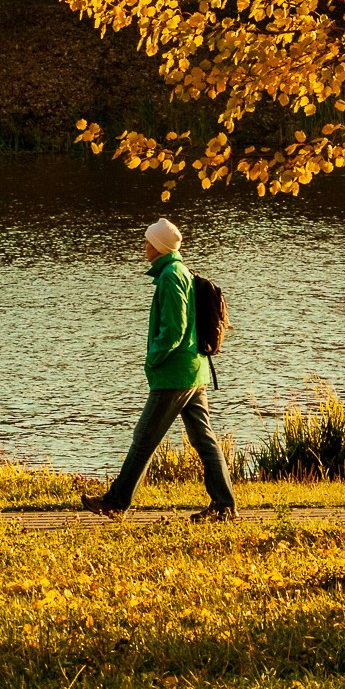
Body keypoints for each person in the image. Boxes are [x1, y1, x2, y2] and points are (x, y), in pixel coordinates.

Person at [81, 218, 238, 522]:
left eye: (148, 242)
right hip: (194, 370)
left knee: (144, 438)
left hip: (174, 374)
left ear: (159, 247)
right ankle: (224, 506)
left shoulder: (170, 276)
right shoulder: (181, 271)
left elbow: (174, 329)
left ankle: (115, 503)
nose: (145, 246)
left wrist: (154, 358)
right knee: (204, 440)